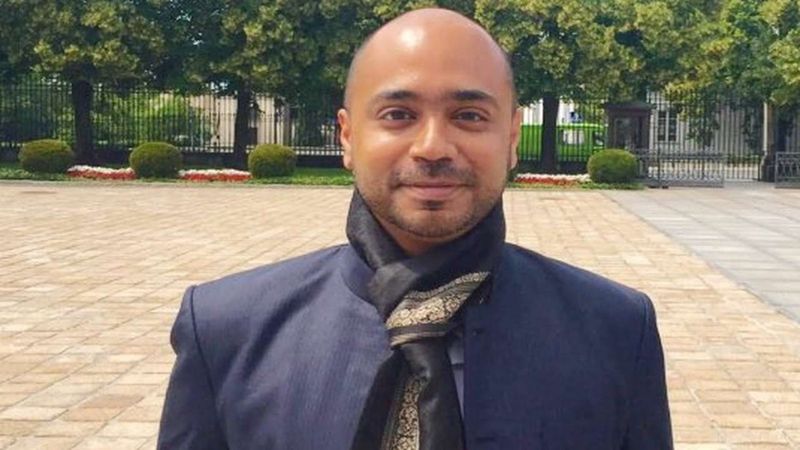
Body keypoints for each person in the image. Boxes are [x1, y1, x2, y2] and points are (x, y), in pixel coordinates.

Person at [158, 7, 672, 450]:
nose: (432, 147)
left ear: (512, 137)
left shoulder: (616, 332)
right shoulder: (227, 331)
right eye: (398, 114)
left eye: (469, 115)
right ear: (348, 136)